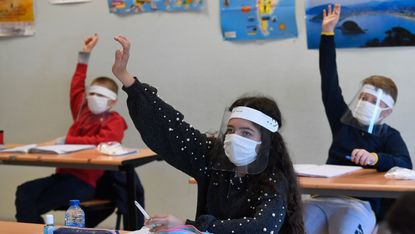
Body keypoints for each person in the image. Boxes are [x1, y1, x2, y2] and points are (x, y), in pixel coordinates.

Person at [111, 35, 304, 233]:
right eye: (231, 130)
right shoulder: (213, 158)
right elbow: (170, 129)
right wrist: (127, 80)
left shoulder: (273, 178)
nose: (234, 137)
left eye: (246, 133)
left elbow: (261, 228)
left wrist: (193, 226)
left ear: (266, 142)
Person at [303, 4, 412, 234]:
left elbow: (405, 166)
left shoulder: (389, 136)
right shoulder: (343, 122)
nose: (365, 103)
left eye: (374, 101)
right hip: (322, 197)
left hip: (358, 203)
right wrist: (327, 33)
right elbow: (329, 80)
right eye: (363, 97)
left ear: (387, 111)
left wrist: (374, 158)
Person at [14, 34, 136, 227]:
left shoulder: (115, 121)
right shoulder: (82, 112)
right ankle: (33, 230)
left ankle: (36, 228)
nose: (94, 98)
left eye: (101, 95)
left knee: (32, 203)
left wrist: (65, 141)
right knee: (25, 192)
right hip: (62, 176)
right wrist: (84, 54)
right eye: (92, 93)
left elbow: (101, 142)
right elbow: (76, 85)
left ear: (113, 101)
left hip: (84, 184)